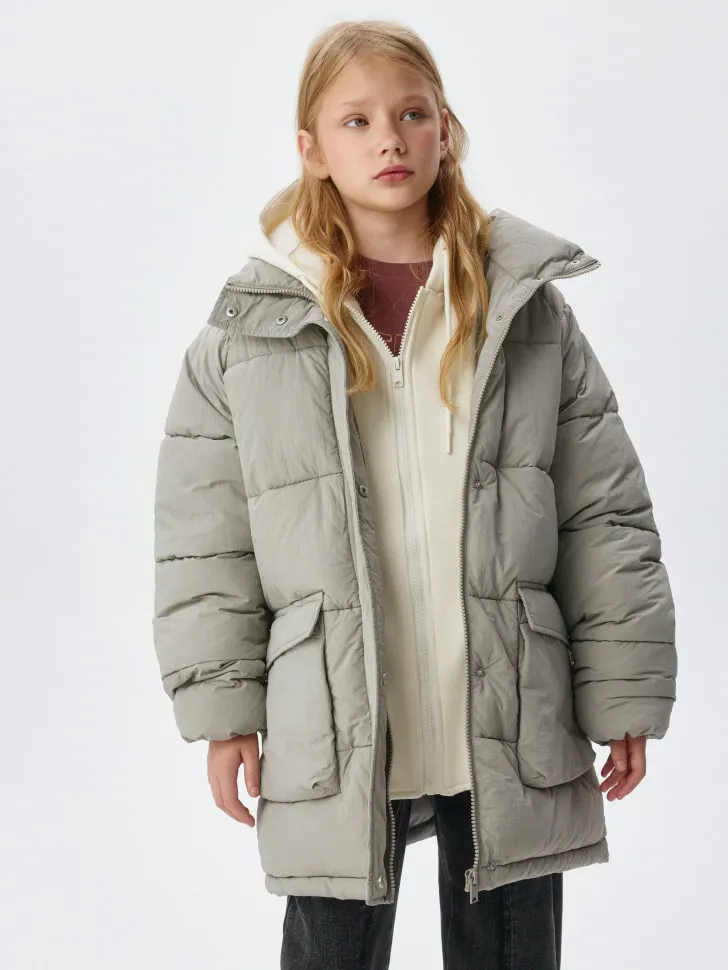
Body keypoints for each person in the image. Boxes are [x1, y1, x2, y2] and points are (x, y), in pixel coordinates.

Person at [151, 18, 678, 970]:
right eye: (356, 120)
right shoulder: (247, 336)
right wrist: (225, 712)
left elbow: (604, 513)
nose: (388, 139)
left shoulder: (524, 312)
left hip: (509, 705)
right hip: (339, 713)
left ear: (445, 130)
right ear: (312, 148)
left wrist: (623, 689)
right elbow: (205, 540)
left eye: (412, 114)